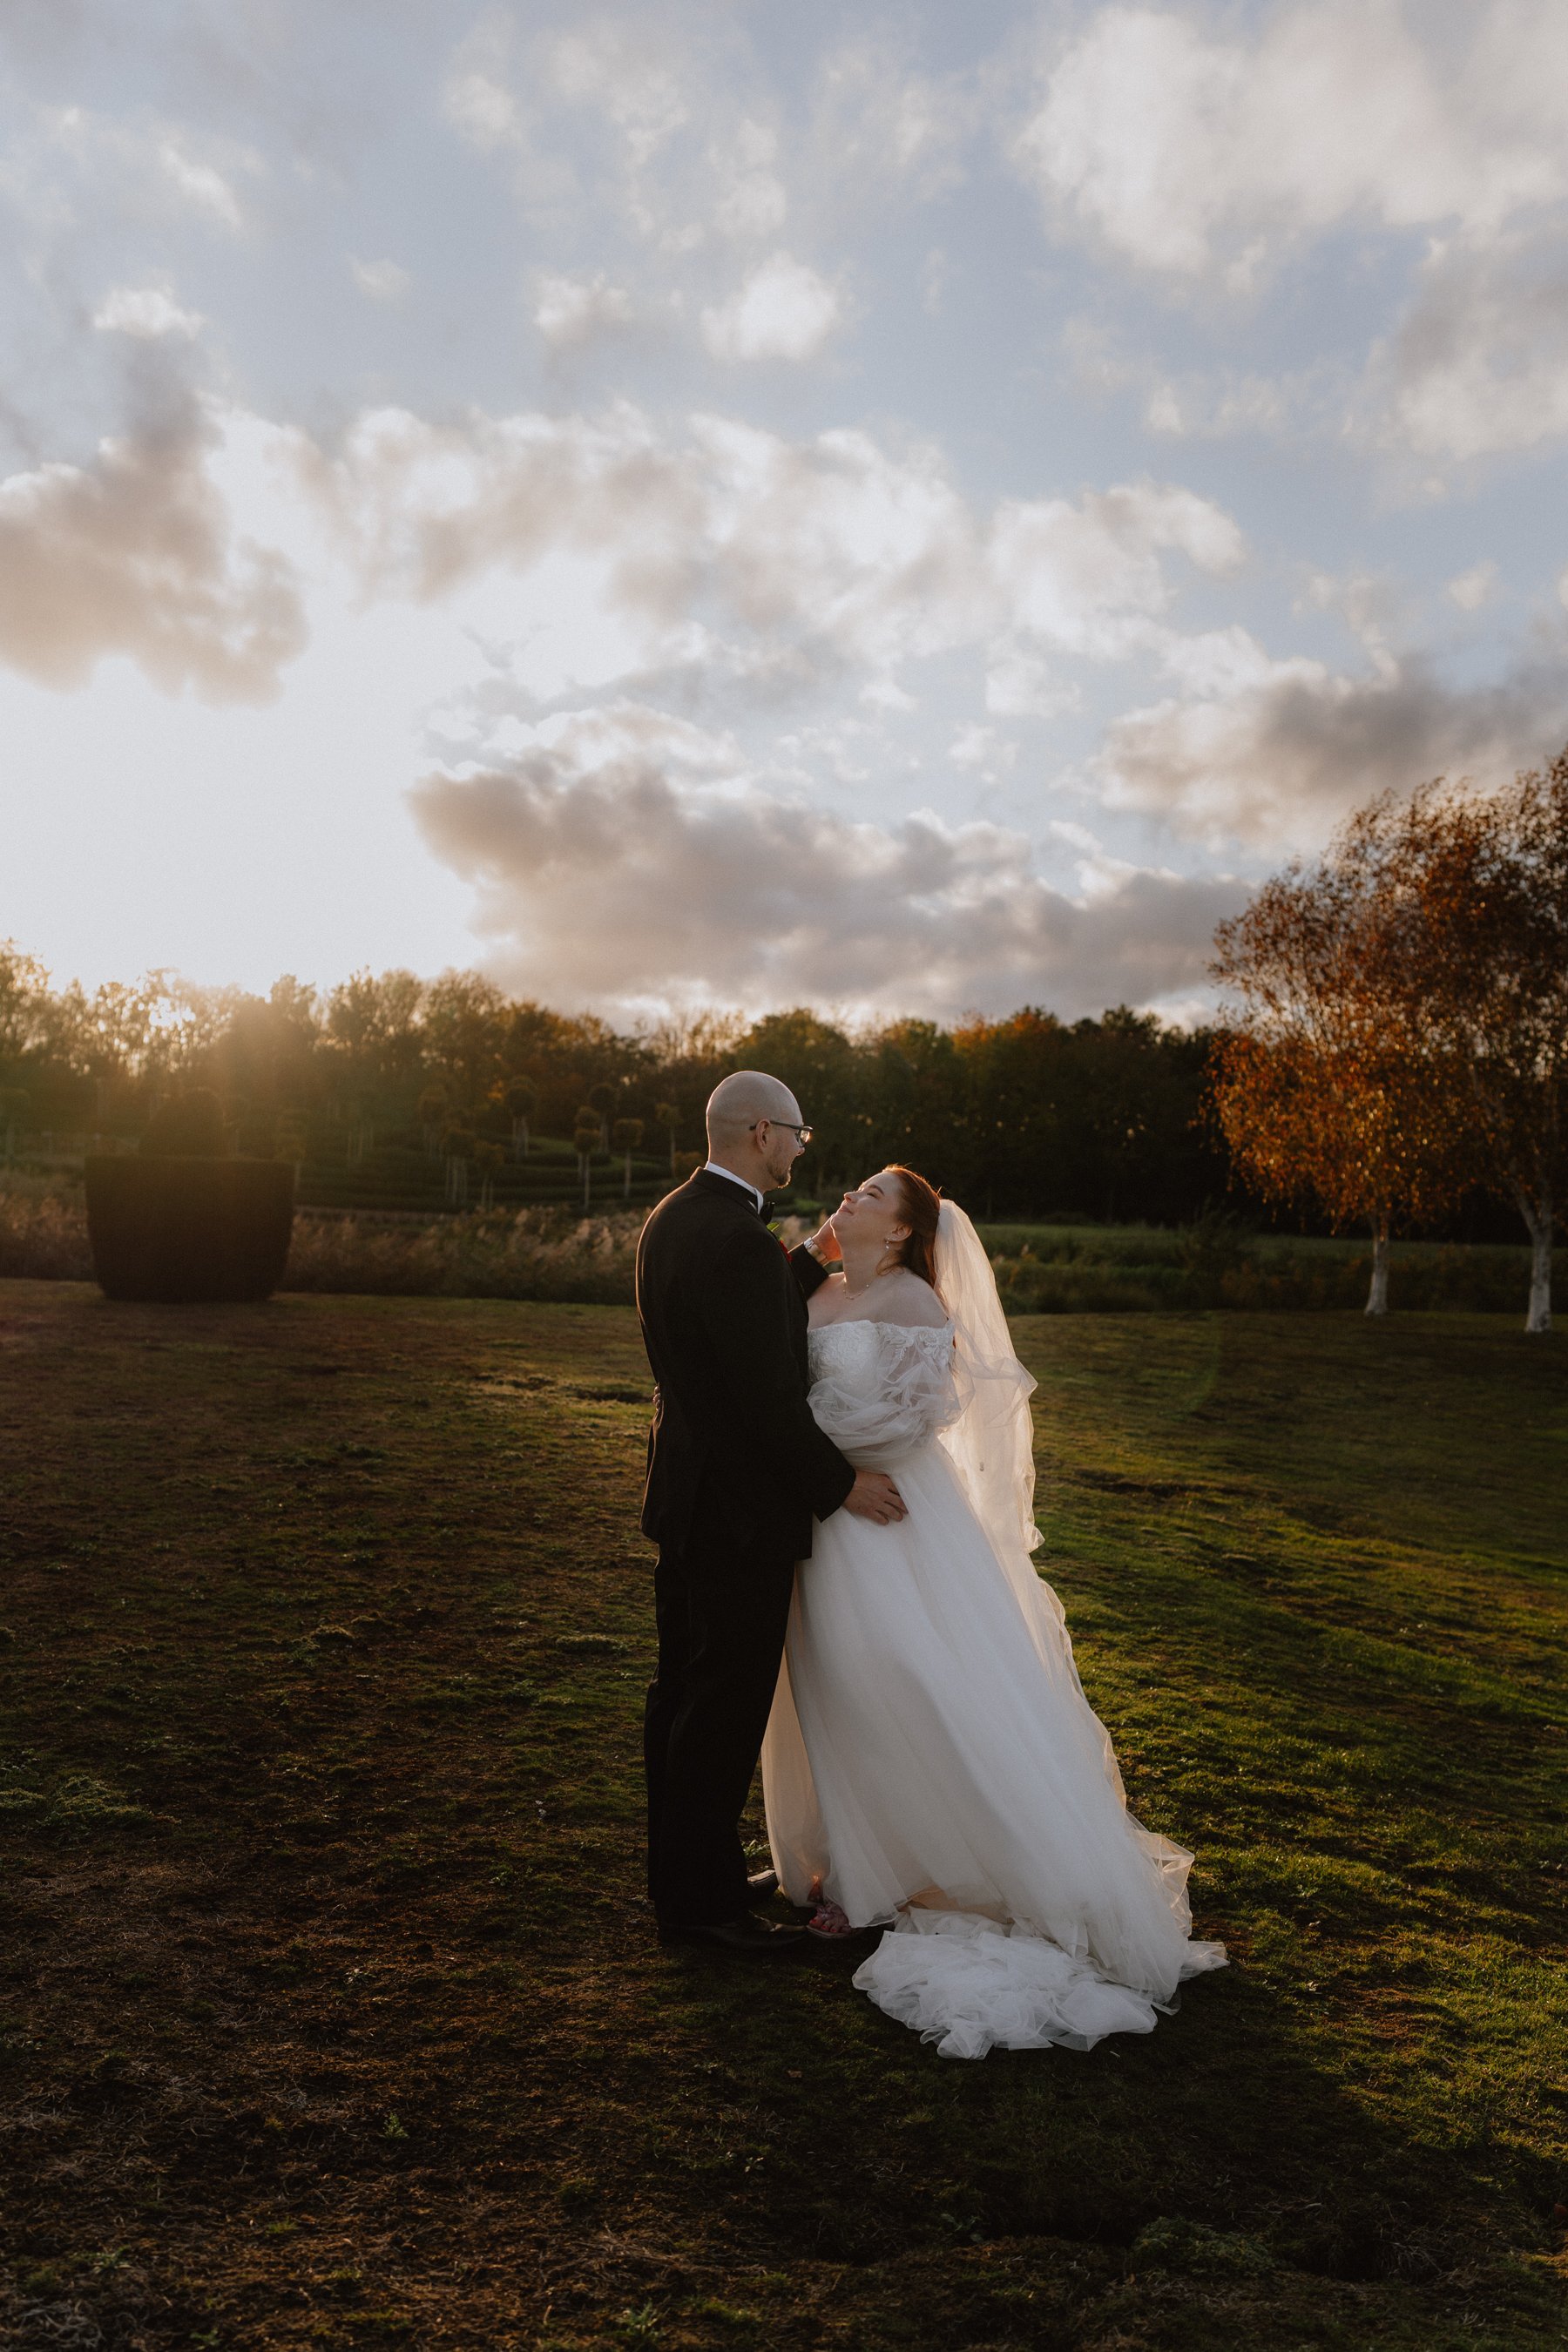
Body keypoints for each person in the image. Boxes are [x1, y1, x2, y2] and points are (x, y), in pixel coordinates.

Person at [761, 1164, 1227, 2056]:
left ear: (900, 1232)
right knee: (826, 1684)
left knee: (899, 1680)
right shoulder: (810, 1290)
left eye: (869, 1197)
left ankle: (913, 1878)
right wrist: (810, 1470)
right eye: (853, 1191)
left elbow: (917, 1414)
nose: (848, 1200)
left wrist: (832, 1463)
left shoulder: (914, 1304)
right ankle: (853, 1865)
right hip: (823, 1519)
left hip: (889, 1517)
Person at [635, 1071, 908, 1953]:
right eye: (797, 1133)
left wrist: (809, 1257)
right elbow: (766, 1399)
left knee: (680, 1693)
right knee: (720, 1703)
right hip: (738, 1517)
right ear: (761, 1132)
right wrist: (840, 1485)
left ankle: (689, 1877)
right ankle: (702, 1911)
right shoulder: (737, 1241)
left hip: (686, 1497)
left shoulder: (676, 1220)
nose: (802, 1147)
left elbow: (735, 1331)